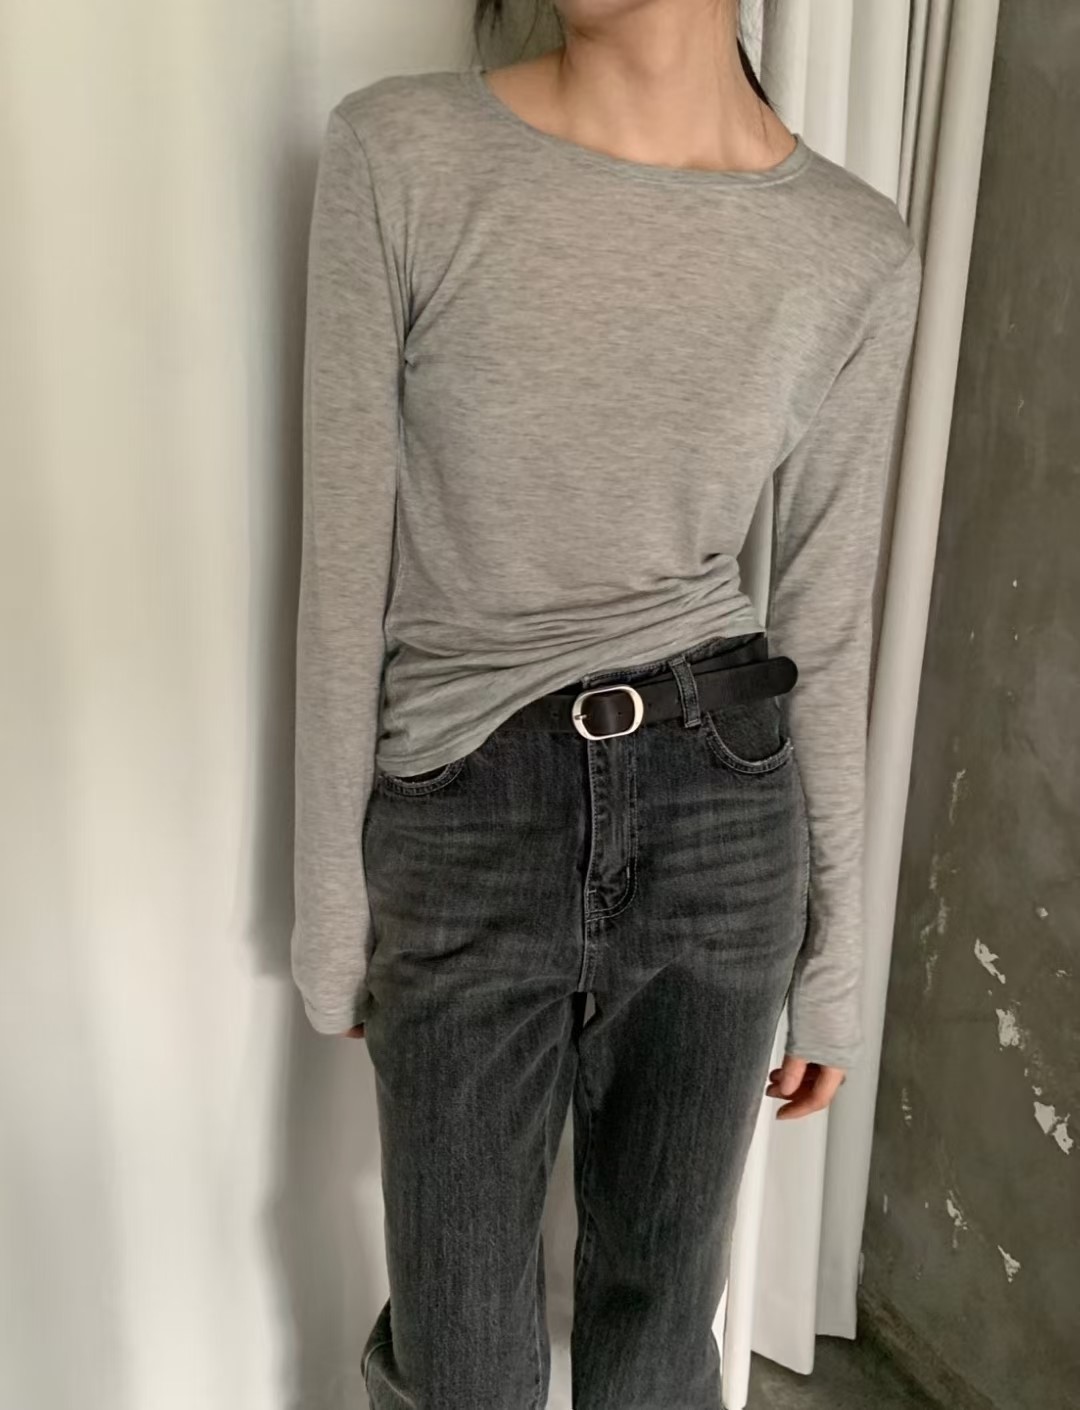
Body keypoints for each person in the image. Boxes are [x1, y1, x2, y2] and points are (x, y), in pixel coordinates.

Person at [291, 1, 922, 1405]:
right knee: (462, 1353)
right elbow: (344, 562)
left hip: (722, 797)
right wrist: (331, 903)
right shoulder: (404, 153)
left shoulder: (851, 248)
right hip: (466, 801)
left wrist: (836, 961)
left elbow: (826, 621)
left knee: (658, 1333)